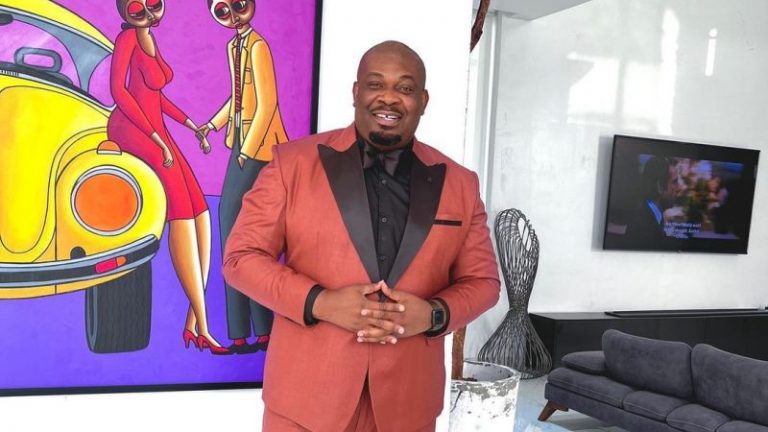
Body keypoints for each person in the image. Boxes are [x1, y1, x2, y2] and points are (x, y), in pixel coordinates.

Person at [223, 41, 500, 431]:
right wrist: (319, 302)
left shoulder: (460, 184)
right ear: (356, 92)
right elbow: (241, 258)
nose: (389, 97)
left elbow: (484, 282)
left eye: (405, 88)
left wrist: (434, 314)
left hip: (408, 405)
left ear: (423, 101)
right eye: (376, 84)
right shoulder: (291, 164)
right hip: (304, 403)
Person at [107, 0, 227, 354]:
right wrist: (157, 141)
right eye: (137, 9)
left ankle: (192, 322)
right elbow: (120, 93)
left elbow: (155, 98)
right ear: (124, 14)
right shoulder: (127, 39)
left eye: (154, 5)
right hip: (133, 130)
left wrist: (192, 126)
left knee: (201, 213)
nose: (148, 14)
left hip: (156, 128)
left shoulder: (149, 37)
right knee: (182, 215)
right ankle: (204, 327)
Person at [197, 0, 289, 354]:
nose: (233, 15)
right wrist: (212, 125)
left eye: (238, 5)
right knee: (242, 237)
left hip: (259, 149)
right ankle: (248, 332)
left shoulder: (258, 46)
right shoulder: (233, 46)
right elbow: (239, 98)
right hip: (241, 143)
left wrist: (247, 151)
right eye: (223, 11)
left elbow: (267, 104)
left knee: (235, 231)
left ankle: (252, 330)